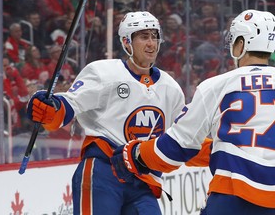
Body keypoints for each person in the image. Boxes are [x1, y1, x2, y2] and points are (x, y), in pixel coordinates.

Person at [111, 9, 275, 215]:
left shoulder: (217, 85)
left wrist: (136, 154)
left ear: (241, 44)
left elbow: (178, 145)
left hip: (232, 197)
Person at [26, 11, 185, 215]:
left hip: (142, 181)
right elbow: (69, 104)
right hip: (102, 173)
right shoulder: (104, 74)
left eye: (155, 36)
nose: (152, 44)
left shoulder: (171, 88)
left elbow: (184, 135)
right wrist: (50, 108)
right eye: (144, 36)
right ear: (127, 42)